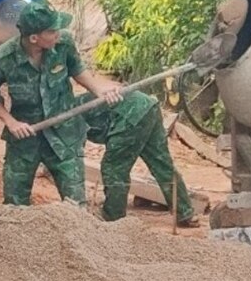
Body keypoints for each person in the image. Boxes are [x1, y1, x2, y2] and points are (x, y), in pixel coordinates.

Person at [0, 0, 123, 206]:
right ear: (35, 38)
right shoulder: (1, 60)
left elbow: (77, 69)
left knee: (76, 204)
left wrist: (98, 90)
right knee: (14, 204)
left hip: (64, 133)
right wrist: (11, 123)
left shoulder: (64, 44)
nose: (58, 34)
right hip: (26, 137)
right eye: (52, 31)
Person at [86, 91, 200, 227]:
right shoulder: (72, 106)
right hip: (148, 106)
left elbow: (72, 157)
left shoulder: (67, 118)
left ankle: (112, 215)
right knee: (161, 163)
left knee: (114, 166)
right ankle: (185, 212)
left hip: (131, 113)